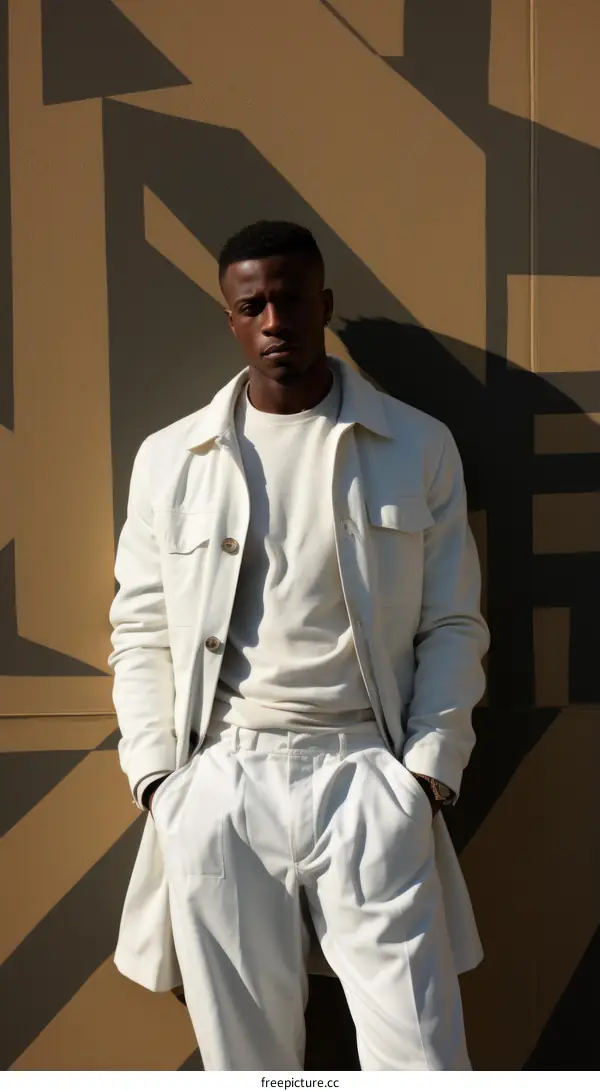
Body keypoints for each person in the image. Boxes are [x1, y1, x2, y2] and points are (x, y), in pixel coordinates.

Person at [108, 220, 490, 1071]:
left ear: (323, 303)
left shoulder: (416, 446)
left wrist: (426, 774)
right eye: (253, 305)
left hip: (367, 773)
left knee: (423, 1061)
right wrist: (163, 781)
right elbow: (138, 627)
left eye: (289, 298)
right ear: (231, 317)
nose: (274, 319)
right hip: (223, 782)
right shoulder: (172, 459)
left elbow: (454, 623)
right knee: (251, 1066)